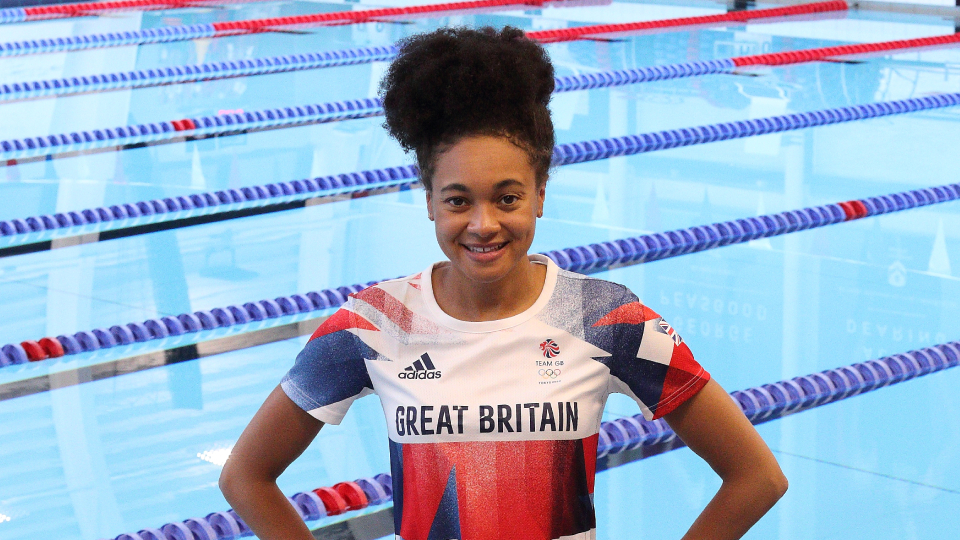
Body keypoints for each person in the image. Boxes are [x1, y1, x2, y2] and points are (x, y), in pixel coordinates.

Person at [219, 26, 787, 540]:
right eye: (458, 201)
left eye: (507, 198)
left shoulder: (604, 318)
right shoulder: (377, 323)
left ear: (541, 193)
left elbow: (756, 478)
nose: (483, 224)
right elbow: (245, 477)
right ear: (430, 203)